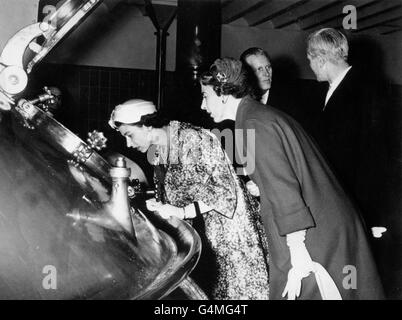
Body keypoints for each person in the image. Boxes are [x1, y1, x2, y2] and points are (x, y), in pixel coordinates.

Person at [200, 57, 384, 300]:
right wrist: (263, 185)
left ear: (222, 93)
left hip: (313, 232)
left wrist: (297, 253)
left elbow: (285, 192)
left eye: (205, 96)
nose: (202, 105)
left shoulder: (253, 124)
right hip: (324, 222)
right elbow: (286, 174)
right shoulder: (256, 115)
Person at [108, 99, 270, 300]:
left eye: (129, 135)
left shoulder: (194, 139)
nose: (128, 144)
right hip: (208, 241)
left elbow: (224, 192)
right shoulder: (159, 150)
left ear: (147, 125)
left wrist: (183, 212)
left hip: (233, 238)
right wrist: (162, 206)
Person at [306, 28, 387, 229]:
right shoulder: (331, 89)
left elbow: (372, 157)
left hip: (357, 208)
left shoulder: (363, 90)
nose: (309, 65)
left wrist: (372, 218)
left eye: (309, 59)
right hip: (339, 202)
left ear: (320, 60)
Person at [240, 47, 296, 119]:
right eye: (259, 69)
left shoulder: (288, 100)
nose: (266, 73)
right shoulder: (239, 101)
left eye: (268, 67)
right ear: (246, 74)